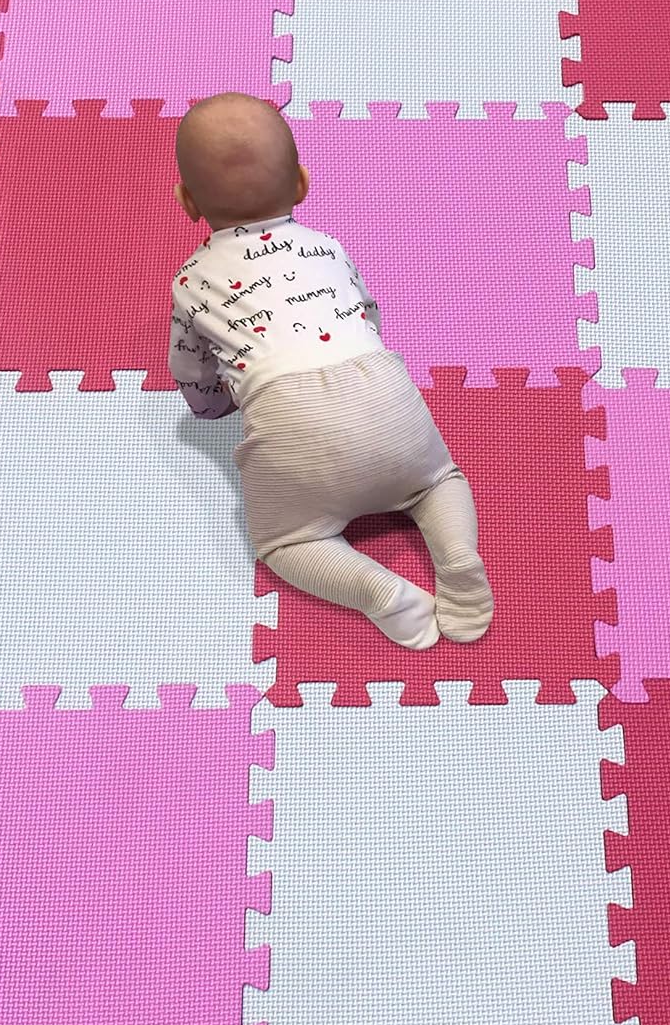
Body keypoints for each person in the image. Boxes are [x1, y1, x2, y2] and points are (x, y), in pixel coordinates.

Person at [167, 92, 494, 651]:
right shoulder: (326, 249)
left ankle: (379, 590)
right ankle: (458, 558)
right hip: (383, 390)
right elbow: (367, 313)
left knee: (285, 543)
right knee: (439, 482)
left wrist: (211, 408)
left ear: (187, 201)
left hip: (292, 424)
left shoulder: (191, 279)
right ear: (301, 184)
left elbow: (192, 370)